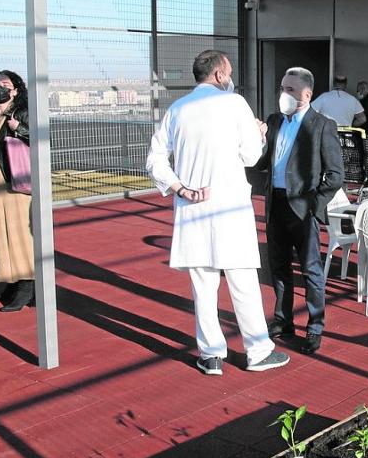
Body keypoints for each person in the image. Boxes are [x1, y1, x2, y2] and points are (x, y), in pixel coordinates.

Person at [146, 49, 290, 375]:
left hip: (192, 209)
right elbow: (252, 156)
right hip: (230, 209)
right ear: (220, 75)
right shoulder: (235, 103)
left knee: (203, 287)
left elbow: (155, 160)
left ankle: (211, 355)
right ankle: (257, 351)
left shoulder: (178, 109)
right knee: (243, 284)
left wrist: (180, 188)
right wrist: (260, 135)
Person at [257, 67, 345, 355]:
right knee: (279, 267)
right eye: (283, 88)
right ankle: (283, 320)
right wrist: (257, 139)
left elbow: (335, 175)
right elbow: (260, 164)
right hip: (276, 204)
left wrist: (314, 208)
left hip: (303, 208)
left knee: (310, 271)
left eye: (291, 89)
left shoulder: (321, 125)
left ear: (307, 94)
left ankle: (315, 327)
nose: (284, 94)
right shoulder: (274, 121)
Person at [0, 70, 35, 311]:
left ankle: (27, 284)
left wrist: (20, 128)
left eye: (5, 84)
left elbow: (39, 137)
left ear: (15, 89)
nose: (0, 88)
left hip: (15, 181)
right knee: (2, 233)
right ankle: (13, 279)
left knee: (20, 234)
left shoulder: (21, 113)